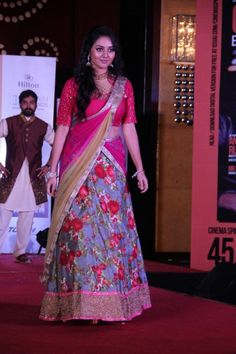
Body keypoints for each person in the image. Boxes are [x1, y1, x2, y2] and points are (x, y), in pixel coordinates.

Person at [40, 26, 151, 323]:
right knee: (80, 234)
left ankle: (111, 303)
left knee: (111, 235)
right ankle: (77, 303)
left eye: (110, 50)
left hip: (112, 171)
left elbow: (129, 127)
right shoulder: (73, 86)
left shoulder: (123, 86)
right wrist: (52, 169)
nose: (105, 55)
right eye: (100, 49)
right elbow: (63, 127)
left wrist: (140, 168)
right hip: (79, 170)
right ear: (89, 51)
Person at [0, 90, 55, 263]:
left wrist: (49, 165)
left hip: (33, 179)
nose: (28, 105)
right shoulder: (8, 123)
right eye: (25, 102)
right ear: (20, 104)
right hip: (11, 177)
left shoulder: (44, 126)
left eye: (32, 102)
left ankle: (20, 251)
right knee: (2, 218)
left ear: (36, 104)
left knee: (27, 218)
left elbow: (58, 144)